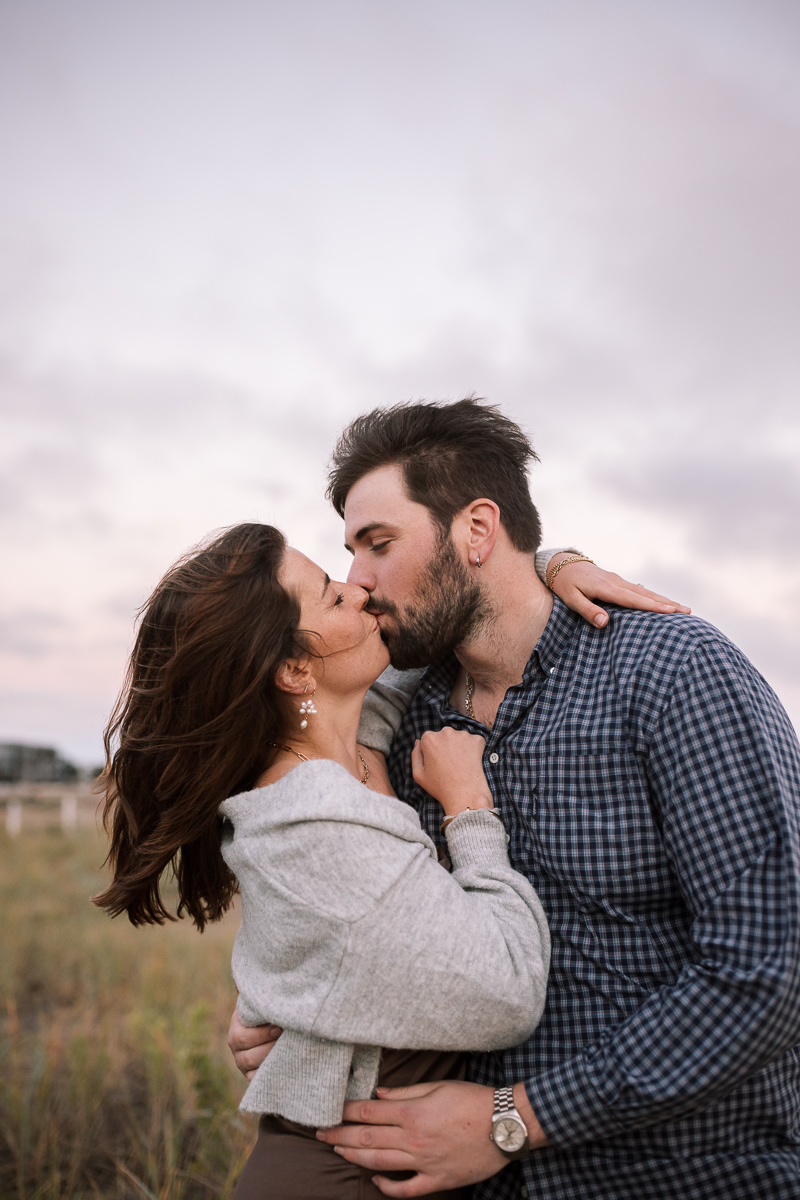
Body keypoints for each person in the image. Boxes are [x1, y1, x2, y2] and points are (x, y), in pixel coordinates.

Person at [231, 399, 800, 1199]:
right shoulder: (401, 715)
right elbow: (353, 900)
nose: (358, 578)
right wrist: (288, 1010)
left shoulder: (674, 675)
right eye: (348, 552)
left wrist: (519, 1117)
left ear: (475, 530)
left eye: (378, 544)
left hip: (682, 1175)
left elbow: (765, 972)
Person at [93, 520, 554, 1200]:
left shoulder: (361, 737)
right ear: (294, 669)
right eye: (332, 597)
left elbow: (457, 617)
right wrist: (469, 812)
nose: (360, 589)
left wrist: (553, 566)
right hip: (342, 1178)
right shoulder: (308, 820)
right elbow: (509, 992)